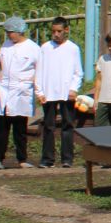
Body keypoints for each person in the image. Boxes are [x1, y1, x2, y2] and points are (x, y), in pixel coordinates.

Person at [0, 17, 37, 168]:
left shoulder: (33, 48)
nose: (9, 35)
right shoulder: (6, 45)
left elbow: (40, 68)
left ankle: (22, 159)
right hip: (4, 90)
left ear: (19, 31)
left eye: (11, 32)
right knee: (1, 127)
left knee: (20, 128)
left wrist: (33, 84)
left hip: (21, 90)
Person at [34, 18, 83, 168]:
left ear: (66, 31)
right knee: (49, 126)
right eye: (53, 31)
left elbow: (78, 72)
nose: (56, 34)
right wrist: (39, 91)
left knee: (67, 125)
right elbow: (39, 71)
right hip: (48, 92)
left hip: (66, 93)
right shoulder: (45, 48)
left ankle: (67, 159)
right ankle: (47, 159)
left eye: (59, 31)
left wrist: (73, 89)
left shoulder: (73, 48)